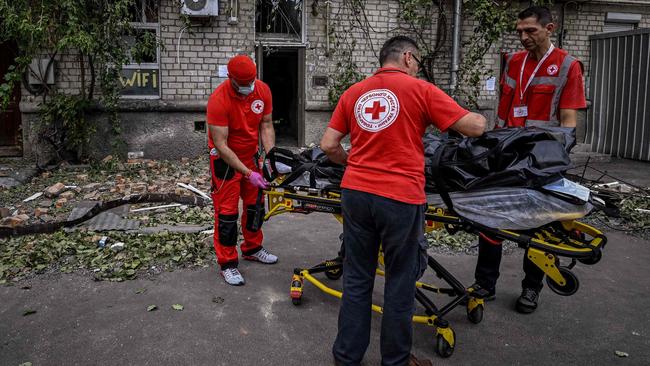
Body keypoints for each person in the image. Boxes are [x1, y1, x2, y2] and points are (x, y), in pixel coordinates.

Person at [320, 36, 486, 366]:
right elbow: (474, 128)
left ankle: (346, 357)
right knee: (399, 283)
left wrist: (352, 163)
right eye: (419, 61)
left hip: (355, 193)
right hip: (399, 197)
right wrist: (480, 115)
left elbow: (328, 145)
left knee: (357, 278)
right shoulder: (420, 89)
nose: (418, 66)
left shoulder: (354, 92)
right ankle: (395, 361)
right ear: (408, 57)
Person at [471, 5, 587, 314]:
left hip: (541, 157)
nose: (522, 37)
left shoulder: (567, 65)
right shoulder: (513, 62)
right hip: (508, 152)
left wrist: (557, 157)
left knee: (538, 224)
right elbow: (505, 109)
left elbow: (567, 118)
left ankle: (531, 288)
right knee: (491, 217)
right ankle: (485, 283)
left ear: (550, 29)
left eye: (530, 31)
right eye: (519, 31)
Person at [206, 54, 279, 286]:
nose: (249, 87)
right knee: (227, 214)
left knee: (254, 206)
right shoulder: (219, 100)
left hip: (251, 157)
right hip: (225, 161)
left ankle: (252, 248)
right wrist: (248, 174)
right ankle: (227, 263)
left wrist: (270, 159)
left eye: (252, 81)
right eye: (244, 83)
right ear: (231, 79)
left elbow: (266, 125)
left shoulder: (263, 90)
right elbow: (221, 144)